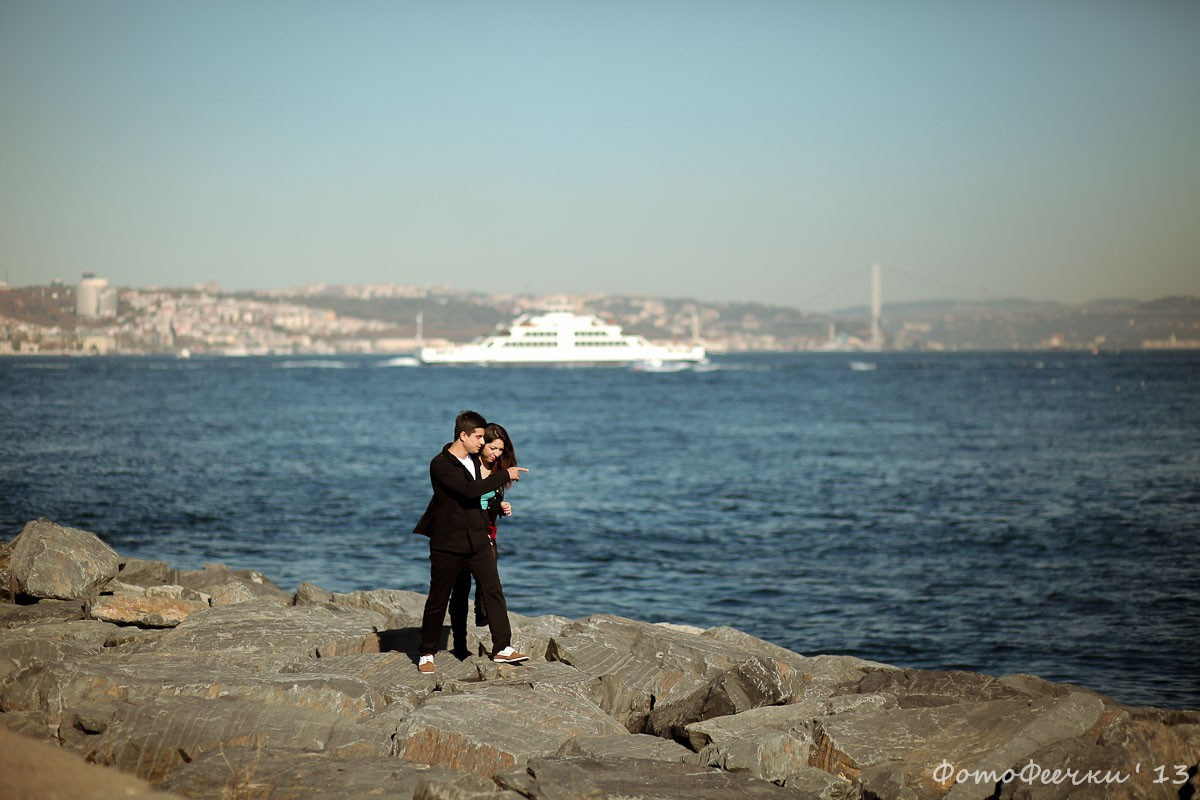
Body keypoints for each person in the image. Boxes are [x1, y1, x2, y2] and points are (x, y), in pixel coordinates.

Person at [413, 410, 528, 673]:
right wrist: (505, 475)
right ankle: (427, 652)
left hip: (477, 539)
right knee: (438, 598)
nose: (481, 442)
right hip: (447, 542)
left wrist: (499, 504)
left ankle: (502, 648)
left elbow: (482, 498)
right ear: (463, 435)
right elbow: (469, 492)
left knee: (493, 590)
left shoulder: (476, 463)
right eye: (477, 437)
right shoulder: (440, 464)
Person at [448, 423, 516, 650]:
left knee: (491, 583)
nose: (496, 454)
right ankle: (459, 644)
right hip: (462, 534)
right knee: (460, 588)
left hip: (488, 532)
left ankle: (487, 618)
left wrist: (501, 505)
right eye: (493, 448)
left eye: (500, 450)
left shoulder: (498, 471)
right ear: (480, 443)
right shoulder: (469, 467)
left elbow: (489, 503)